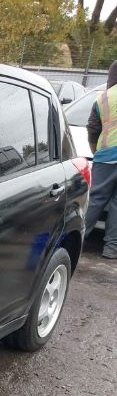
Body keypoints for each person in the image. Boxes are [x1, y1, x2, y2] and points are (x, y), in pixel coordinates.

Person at [86, 60, 117, 259]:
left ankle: (79, 237)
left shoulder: (104, 98)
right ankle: (111, 248)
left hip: (105, 157)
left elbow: (93, 129)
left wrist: (96, 150)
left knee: (96, 199)